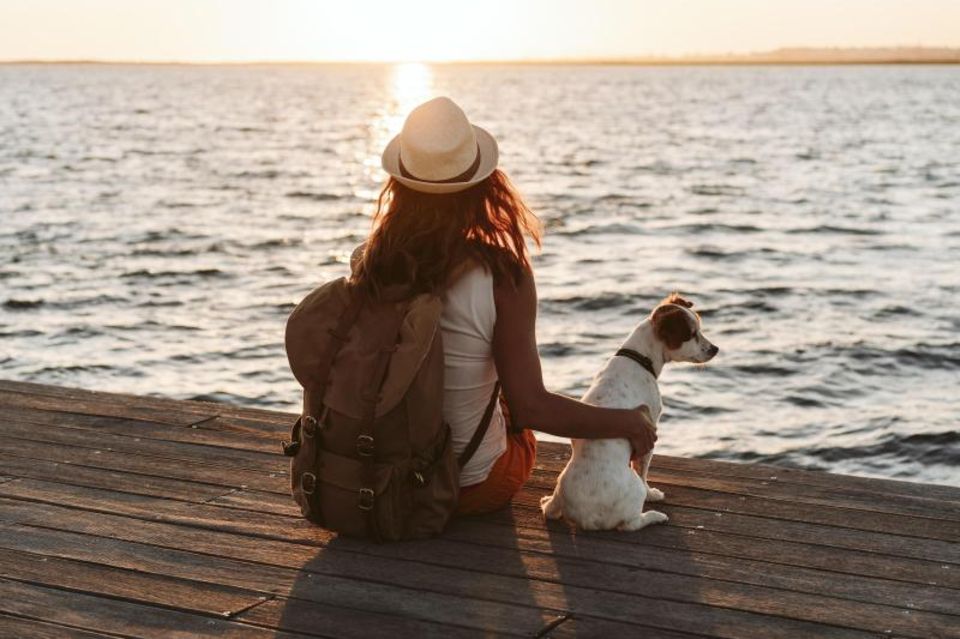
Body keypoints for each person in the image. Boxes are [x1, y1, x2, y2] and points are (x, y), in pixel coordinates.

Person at [350, 97, 657, 515]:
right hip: (467, 487)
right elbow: (531, 407)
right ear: (483, 186)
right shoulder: (502, 275)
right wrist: (625, 423)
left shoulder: (368, 261)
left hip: (372, 476)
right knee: (511, 400)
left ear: (398, 186)